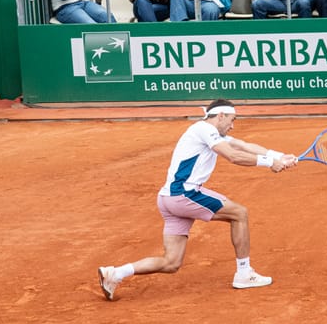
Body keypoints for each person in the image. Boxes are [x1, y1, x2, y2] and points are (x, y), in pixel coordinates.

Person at [97, 99, 297, 300]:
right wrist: (269, 162)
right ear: (221, 116)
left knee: (171, 262)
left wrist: (280, 156)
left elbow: (243, 145)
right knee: (239, 213)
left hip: (167, 198)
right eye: (232, 119)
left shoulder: (207, 132)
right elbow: (233, 156)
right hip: (184, 195)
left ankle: (115, 273)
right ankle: (244, 274)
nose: (232, 125)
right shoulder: (204, 129)